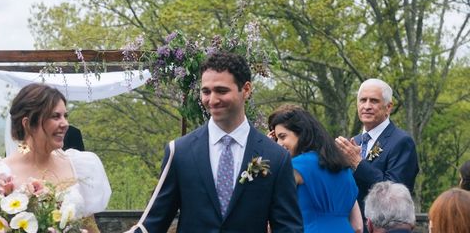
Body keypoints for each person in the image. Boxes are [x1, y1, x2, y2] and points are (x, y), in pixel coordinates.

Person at [129, 51, 303, 233]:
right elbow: (152, 223)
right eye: (206, 91)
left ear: (246, 89)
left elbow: (288, 228)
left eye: (221, 90)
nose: (212, 100)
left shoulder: (276, 157)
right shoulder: (179, 151)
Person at [0, 83, 111, 233]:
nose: (65, 124)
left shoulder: (79, 165)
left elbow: (90, 226)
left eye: (65, 116)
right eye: (55, 116)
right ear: (28, 123)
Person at [335, 79, 419, 232]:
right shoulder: (353, 142)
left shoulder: (401, 142)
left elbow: (395, 194)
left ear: (388, 107)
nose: (367, 106)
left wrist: (358, 163)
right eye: (363, 100)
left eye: (373, 101)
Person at [268, 105, 362, 233]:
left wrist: (267, 151)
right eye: (276, 138)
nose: (279, 143)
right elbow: (358, 227)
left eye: (282, 136)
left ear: (301, 133)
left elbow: (271, 210)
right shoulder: (344, 167)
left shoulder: (296, 166)